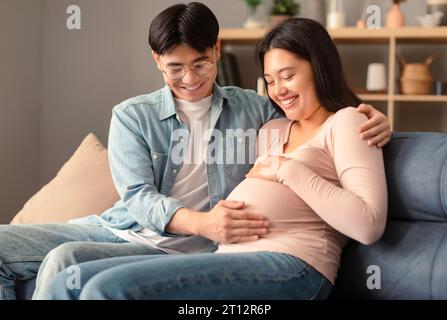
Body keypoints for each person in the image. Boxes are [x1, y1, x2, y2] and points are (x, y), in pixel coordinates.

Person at [0, 2, 388, 300]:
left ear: (216, 50)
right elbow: (138, 199)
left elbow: (324, 118)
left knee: (71, 266)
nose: (190, 80)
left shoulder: (256, 109)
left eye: (200, 64)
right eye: (175, 68)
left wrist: (375, 118)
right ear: (157, 61)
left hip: (216, 254)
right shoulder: (136, 116)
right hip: (128, 230)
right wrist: (205, 224)